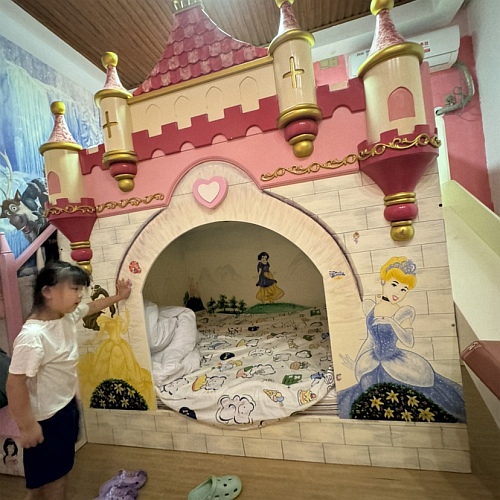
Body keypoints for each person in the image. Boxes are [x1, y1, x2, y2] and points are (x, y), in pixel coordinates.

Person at [6, 260, 132, 499]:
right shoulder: (33, 337)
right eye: (74, 289)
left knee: (53, 476)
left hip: (65, 408)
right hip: (45, 421)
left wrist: (118, 297)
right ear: (48, 291)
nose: (80, 295)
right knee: (53, 483)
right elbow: (14, 384)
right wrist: (27, 426)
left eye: (80, 289)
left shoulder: (66, 316)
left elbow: (92, 306)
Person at [338, 256, 465, 422]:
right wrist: (357, 362)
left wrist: (392, 322)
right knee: (366, 393)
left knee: (410, 398)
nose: (398, 293)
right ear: (383, 281)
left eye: (404, 289)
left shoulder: (403, 312)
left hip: (396, 362)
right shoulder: (371, 308)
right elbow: (370, 339)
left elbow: (409, 341)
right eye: (394, 285)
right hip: (373, 361)